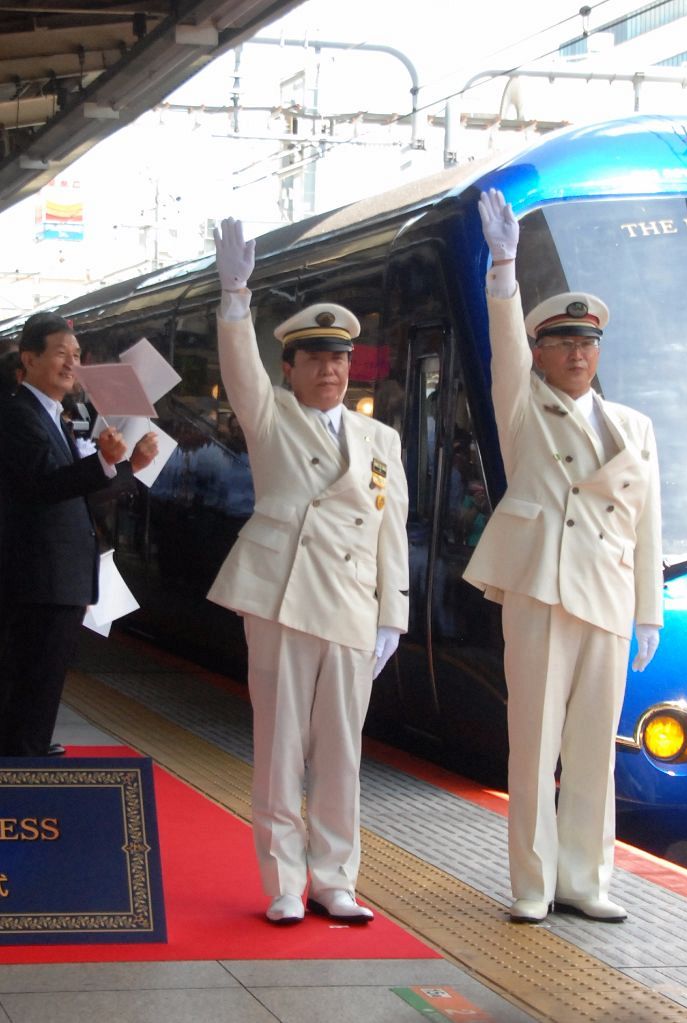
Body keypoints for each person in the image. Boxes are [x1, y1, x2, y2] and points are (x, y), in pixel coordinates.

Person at [462, 189, 663, 925]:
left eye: (588, 344)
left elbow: (647, 525)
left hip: (607, 593)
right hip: (542, 588)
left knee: (593, 749)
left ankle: (586, 878)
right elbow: (503, 350)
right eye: (564, 343)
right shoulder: (524, 408)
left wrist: (649, 610)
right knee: (534, 742)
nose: (578, 354)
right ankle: (531, 881)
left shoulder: (634, 426)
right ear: (541, 352)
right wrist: (504, 270)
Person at [207, 219, 409, 926]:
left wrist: (393, 616)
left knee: (342, 754)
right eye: (315, 359)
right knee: (280, 748)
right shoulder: (270, 418)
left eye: (340, 359)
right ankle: (284, 881)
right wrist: (235, 296)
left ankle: (334, 878)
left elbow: (390, 531)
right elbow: (241, 368)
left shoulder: (380, 438)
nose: (330, 370)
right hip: (283, 600)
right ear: (288, 368)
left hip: (352, 606)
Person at [0, 312, 158, 757]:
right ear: (29, 359)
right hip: (36, 583)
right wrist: (104, 462)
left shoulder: (54, 417)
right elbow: (41, 485)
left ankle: (29, 756)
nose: (72, 363)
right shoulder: (16, 414)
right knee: (26, 691)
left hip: (58, 581)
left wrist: (129, 468)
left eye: (76, 354)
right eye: (60, 353)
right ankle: (20, 773)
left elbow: (76, 495)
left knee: (41, 691)